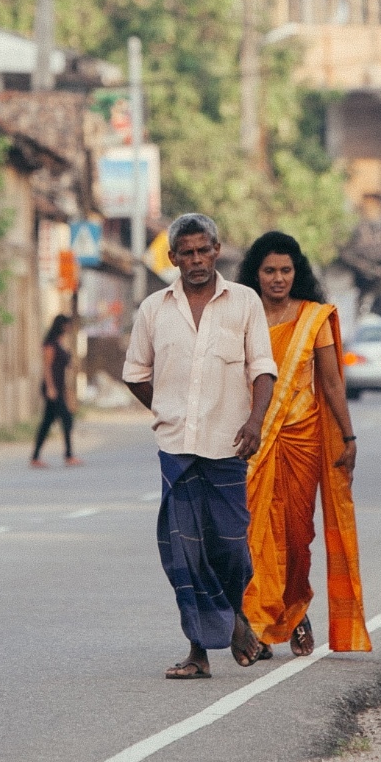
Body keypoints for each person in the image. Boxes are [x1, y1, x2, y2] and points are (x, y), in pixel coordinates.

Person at [124, 214, 277, 679]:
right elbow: (136, 374)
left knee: (230, 549)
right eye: (185, 253)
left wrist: (254, 421)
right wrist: (168, 410)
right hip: (176, 447)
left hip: (229, 446)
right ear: (172, 258)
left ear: (216, 250)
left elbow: (263, 370)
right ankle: (198, 651)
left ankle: (233, 619)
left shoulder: (245, 302)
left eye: (202, 250)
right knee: (186, 551)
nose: (195, 260)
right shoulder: (153, 309)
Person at [237, 231, 370, 658]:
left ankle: (295, 611)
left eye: (286, 270)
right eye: (270, 271)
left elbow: (331, 382)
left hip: (303, 438)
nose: (278, 278)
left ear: (298, 273)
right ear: (255, 275)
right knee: (254, 533)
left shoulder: (314, 317)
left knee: (297, 536)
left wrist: (348, 436)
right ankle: (257, 624)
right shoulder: (242, 315)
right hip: (254, 439)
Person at [31, 314, 78, 467]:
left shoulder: (60, 342)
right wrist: (51, 388)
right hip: (52, 388)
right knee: (66, 418)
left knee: (46, 423)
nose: (69, 328)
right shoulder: (50, 343)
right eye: (67, 325)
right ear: (61, 325)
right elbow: (47, 367)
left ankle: (35, 457)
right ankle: (68, 455)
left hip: (58, 387)